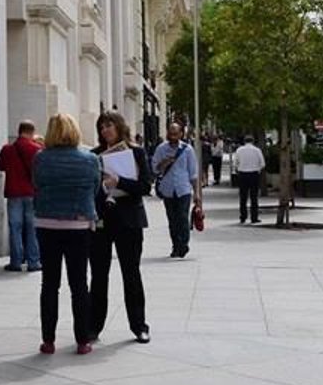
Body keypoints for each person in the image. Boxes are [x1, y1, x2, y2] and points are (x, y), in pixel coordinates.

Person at [32, 113, 100, 355]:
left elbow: (36, 184)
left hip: (47, 223)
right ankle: (82, 340)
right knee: (79, 284)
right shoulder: (90, 159)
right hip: (78, 224)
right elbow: (95, 188)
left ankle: (48, 340)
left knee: (49, 284)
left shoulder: (40, 159)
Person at [90, 112, 152, 344]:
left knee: (131, 273)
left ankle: (139, 326)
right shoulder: (94, 155)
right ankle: (93, 326)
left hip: (129, 220)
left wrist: (120, 182)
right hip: (101, 220)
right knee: (98, 275)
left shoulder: (136, 152)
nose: (106, 130)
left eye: (109, 125)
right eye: (102, 127)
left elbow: (145, 186)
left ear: (119, 127)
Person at [0, 120, 41, 272]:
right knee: (32, 228)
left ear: (19, 131)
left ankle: (16, 261)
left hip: (14, 193)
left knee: (15, 228)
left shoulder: (7, 149)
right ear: (32, 132)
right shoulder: (36, 149)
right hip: (31, 193)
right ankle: (33, 262)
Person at [151, 121, 199, 258]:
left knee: (183, 218)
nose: (172, 136)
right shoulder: (161, 149)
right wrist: (164, 163)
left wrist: (197, 193)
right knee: (172, 220)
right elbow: (155, 169)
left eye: (175, 133)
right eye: (170, 133)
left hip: (183, 189)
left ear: (181, 134)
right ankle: (175, 246)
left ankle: (183, 244)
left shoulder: (187, 150)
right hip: (168, 190)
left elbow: (193, 173)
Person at [233, 135, 265, 224]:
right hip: (254, 174)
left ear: (244, 141)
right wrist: (258, 169)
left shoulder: (239, 150)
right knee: (254, 197)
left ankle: (243, 217)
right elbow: (262, 164)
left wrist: (238, 169)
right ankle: (254, 217)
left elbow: (235, 163)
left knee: (243, 197)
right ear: (253, 141)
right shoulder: (257, 150)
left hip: (243, 174)